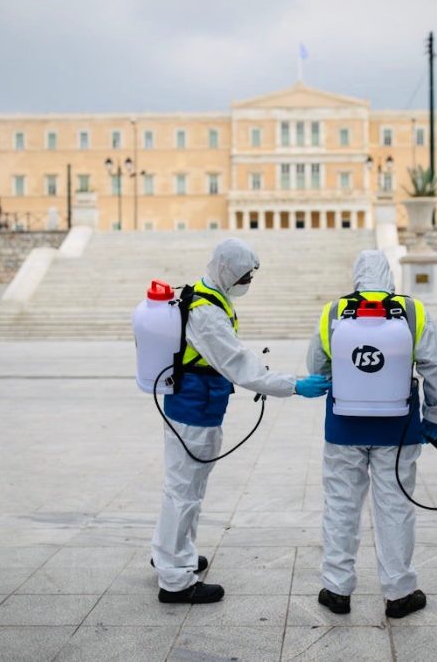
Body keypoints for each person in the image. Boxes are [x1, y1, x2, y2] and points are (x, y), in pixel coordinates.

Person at [152, 237, 330, 604]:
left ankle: (174, 555)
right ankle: (174, 580)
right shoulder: (206, 312)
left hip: (198, 406)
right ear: (227, 271)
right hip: (193, 410)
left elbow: (230, 355)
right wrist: (293, 384)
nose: (248, 281)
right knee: (183, 492)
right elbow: (238, 365)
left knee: (185, 489)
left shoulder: (208, 295)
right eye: (244, 275)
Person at [306, 250, 437, 619]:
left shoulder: (334, 312)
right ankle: (400, 592)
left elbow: (316, 366)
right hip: (398, 428)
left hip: (344, 427)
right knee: (395, 506)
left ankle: (337, 589)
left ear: (356, 276)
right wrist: (434, 417)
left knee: (341, 505)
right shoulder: (412, 312)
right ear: (389, 277)